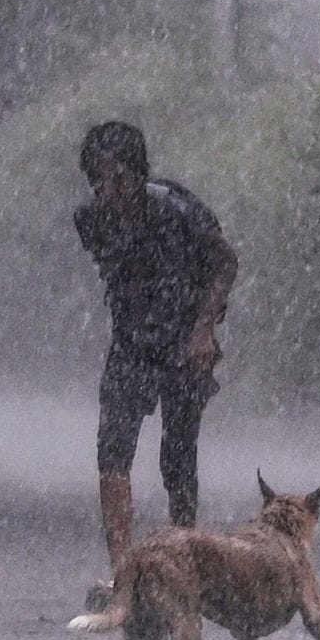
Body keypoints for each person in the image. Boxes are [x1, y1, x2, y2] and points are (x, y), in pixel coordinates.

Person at [74, 121, 238, 596]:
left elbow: (226, 261)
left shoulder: (175, 208)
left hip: (186, 343)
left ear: (139, 174)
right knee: (112, 451)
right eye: (98, 182)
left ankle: (185, 563)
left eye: (117, 180)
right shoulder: (90, 220)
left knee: (177, 458)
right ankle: (124, 572)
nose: (109, 192)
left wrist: (204, 328)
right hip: (131, 344)